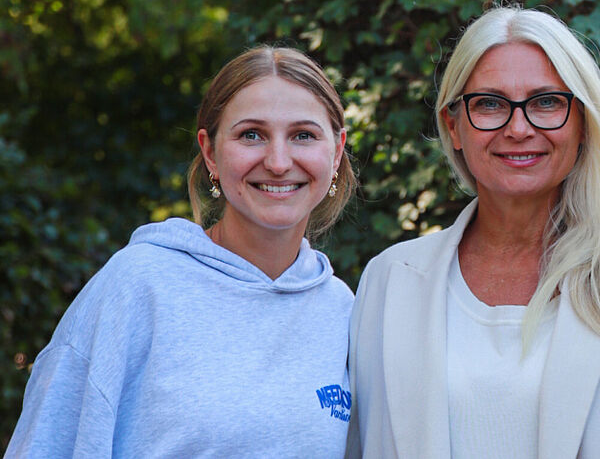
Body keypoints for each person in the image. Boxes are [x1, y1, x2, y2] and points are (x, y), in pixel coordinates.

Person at [346, 5, 600, 459]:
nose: (518, 128)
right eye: (489, 103)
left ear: (583, 123)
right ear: (454, 126)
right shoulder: (389, 280)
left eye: (546, 102)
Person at [6, 46, 357, 457]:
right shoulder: (136, 287)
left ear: (336, 152)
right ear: (210, 152)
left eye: (303, 135)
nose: (278, 162)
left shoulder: (343, 311)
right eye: (251, 135)